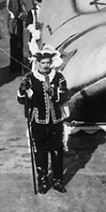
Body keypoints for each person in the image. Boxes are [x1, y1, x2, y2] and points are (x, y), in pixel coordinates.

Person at [18, 45, 70, 193]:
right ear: (38, 63)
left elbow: (65, 96)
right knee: (40, 152)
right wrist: (23, 89)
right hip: (38, 121)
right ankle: (43, 181)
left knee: (57, 151)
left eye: (48, 62)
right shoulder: (30, 78)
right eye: (43, 63)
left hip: (56, 121)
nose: (46, 65)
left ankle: (58, 180)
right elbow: (21, 100)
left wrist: (54, 92)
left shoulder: (59, 77)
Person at [6, 0, 27, 74]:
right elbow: (17, 12)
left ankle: (17, 65)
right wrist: (27, 18)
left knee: (17, 43)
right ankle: (15, 67)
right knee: (16, 43)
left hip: (15, 21)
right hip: (15, 22)